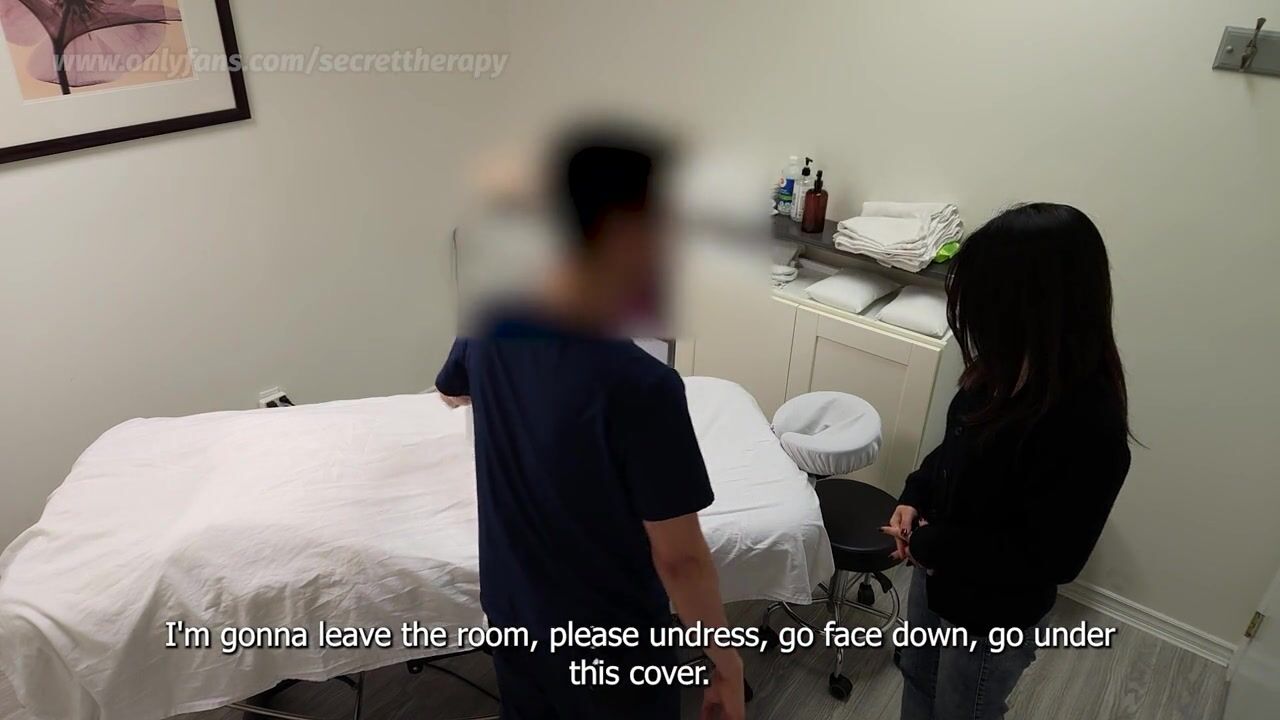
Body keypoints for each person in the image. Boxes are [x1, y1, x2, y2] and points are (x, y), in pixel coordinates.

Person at [434, 128, 745, 720]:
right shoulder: (642, 387)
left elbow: (451, 392)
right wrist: (725, 665)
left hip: (514, 613)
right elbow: (680, 560)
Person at [882, 203, 1132, 720]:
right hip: (937, 576)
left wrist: (930, 543)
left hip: (992, 614)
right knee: (918, 676)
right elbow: (954, 450)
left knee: (963, 709)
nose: (973, 317)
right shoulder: (997, 370)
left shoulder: (1088, 424)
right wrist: (914, 495)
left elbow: (1053, 558)